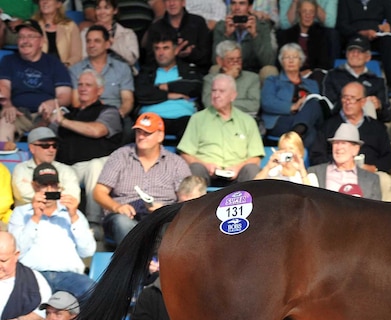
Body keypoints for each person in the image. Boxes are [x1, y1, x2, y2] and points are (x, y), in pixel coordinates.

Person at [93, 112, 192, 244]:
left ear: (160, 136)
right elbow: (99, 192)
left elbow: (188, 199)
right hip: (124, 217)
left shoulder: (176, 162)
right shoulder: (120, 155)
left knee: (168, 226)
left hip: (161, 219)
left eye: (147, 133)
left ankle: (147, 260)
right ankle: (148, 261)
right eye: (138, 132)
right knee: (121, 222)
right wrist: (117, 207)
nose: (141, 136)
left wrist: (165, 210)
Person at [7, 163, 96, 300]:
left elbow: (88, 251)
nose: (49, 189)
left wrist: (74, 217)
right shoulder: (21, 213)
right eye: (44, 185)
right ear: (34, 186)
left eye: (53, 185)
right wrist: (35, 217)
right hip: (33, 275)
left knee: (95, 294)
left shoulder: (73, 213)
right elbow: (17, 251)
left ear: (59, 187)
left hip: (69, 276)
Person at [50, 69, 124, 225]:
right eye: (80, 85)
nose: (82, 88)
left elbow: (97, 130)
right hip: (68, 167)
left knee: (95, 166)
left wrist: (62, 121)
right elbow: (46, 136)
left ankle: (94, 222)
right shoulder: (68, 113)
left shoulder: (109, 111)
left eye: (88, 85)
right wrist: (47, 118)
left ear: (100, 90)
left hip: (99, 166)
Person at [178, 74, 264, 187]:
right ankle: (193, 205)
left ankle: (255, 204)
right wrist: (206, 165)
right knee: (195, 168)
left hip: (237, 173)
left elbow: (256, 157)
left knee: (252, 169)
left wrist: (238, 167)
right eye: (214, 91)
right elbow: (185, 153)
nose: (216, 95)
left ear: (233, 96)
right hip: (206, 173)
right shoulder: (197, 119)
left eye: (221, 91)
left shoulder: (247, 121)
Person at [312, 82, 391, 193]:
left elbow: (388, 158)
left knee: (383, 181)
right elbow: (316, 155)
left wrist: (373, 167)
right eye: (345, 98)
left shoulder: (377, 127)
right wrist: (337, 165)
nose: (348, 102)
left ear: (363, 102)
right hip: (335, 171)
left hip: (368, 172)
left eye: (352, 99)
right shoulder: (329, 125)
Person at [0, 19, 72, 150]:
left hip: (47, 114)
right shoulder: (8, 61)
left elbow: (65, 96)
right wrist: (8, 105)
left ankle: (50, 163)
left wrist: (53, 102)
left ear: (41, 41)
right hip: (18, 113)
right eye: (21, 37)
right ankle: (4, 163)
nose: (25, 41)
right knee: (5, 120)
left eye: (30, 36)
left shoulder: (54, 63)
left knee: (59, 117)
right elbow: (3, 86)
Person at [136, 30, 203, 140]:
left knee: (191, 134)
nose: (161, 53)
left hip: (183, 117)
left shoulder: (188, 69)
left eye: (165, 48)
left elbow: (194, 86)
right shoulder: (147, 71)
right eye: (157, 48)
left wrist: (163, 87)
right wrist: (170, 95)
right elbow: (141, 92)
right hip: (151, 118)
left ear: (176, 50)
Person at [260, 43, 324, 146]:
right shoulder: (272, 81)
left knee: (313, 104)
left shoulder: (312, 84)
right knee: (311, 133)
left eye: (295, 57)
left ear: (301, 61)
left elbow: (316, 107)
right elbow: (267, 103)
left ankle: (296, 134)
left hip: (305, 121)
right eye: (287, 57)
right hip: (281, 121)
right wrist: (292, 106)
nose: (291, 60)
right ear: (282, 61)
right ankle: (298, 134)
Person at [336, 0, 391, 98]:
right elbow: (342, 25)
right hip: (354, 35)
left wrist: (388, 27)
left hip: (377, 36)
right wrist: (361, 32)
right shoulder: (345, 2)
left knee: (388, 40)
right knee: (348, 40)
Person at [69, 25, 135, 120]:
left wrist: (120, 113)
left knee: (129, 130)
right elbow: (76, 102)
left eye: (97, 41)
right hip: (86, 116)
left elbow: (127, 99)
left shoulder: (122, 68)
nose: (91, 45)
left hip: (115, 114)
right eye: (88, 41)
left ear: (107, 44)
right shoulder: (76, 69)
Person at [323, 35, 391, 123]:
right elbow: (328, 108)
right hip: (339, 124)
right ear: (347, 54)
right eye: (352, 51)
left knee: (368, 103)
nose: (355, 54)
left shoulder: (377, 81)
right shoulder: (333, 76)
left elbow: (388, 116)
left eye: (360, 51)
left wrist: (379, 106)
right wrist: (352, 101)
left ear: (368, 57)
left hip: (368, 126)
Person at [307, 123, 382, 200]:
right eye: (336, 143)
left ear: (355, 149)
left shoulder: (371, 180)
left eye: (343, 143)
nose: (338, 147)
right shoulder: (314, 172)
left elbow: (375, 210)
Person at [11, 127, 80, 207]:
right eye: (45, 146)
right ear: (32, 148)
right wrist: (59, 192)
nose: (51, 150)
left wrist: (40, 195)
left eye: (54, 145)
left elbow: (73, 198)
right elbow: (23, 194)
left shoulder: (66, 170)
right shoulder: (21, 169)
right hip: (27, 216)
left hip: (59, 216)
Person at [213, 0, 277, 77]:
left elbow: (268, 62)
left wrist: (255, 35)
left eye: (242, 3)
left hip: (252, 72)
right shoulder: (221, 27)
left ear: (250, 7)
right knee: (214, 69)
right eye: (233, 3)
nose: (237, 8)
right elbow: (215, 60)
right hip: (227, 71)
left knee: (269, 70)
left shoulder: (262, 27)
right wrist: (227, 35)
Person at [144, 0, 211, 69]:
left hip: (195, 73)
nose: (172, 3)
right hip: (165, 73)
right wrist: (173, 54)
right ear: (164, 4)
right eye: (168, 1)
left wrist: (191, 54)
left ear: (183, 2)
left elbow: (206, 55)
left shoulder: (198, 22)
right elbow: (150, 59)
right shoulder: (156, 27)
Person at [203, 40, 261, 118]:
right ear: (219, 61)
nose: (236, 64)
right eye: (231, 60)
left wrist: (221, 103)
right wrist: (227, 78)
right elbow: (208, 104)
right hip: (217, 120)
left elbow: (254, 106)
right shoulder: (209, 79)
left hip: (245, 120)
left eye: (238, 59)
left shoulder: (252, 78)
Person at [79, 0, 139, 68]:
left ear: (115, 10)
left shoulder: (128, 33)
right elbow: (83, 58)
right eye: (98, 8)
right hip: (93, 71)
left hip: (121, 72)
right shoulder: (85, 33)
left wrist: (110, 40)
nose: (102, 12)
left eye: (106, 8)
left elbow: (132, 60)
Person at [277, 0, 333, 73]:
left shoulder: (322, 35)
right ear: (299, 13)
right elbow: (281, 62)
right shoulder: (287, 35)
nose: (308, 15)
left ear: (315, 14)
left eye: (311, 12)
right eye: (304, 11)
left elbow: (324, 64)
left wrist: (310, 71)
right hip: (291, 74)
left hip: (314, 75)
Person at [33, 0, 83, 67]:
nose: (44, 1)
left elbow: (76, 55)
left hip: (64, 70)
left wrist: (65, 66)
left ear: (58, 4)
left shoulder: (71, 26)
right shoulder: (32, 26)